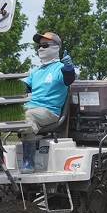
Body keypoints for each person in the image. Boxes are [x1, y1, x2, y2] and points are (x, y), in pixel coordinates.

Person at [21, 31, 75, 173]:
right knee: (1, 115)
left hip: (49, 111)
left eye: (45, 45)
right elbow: (23, 87)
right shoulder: (36, 71)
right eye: (39, 46)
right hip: (30, 108)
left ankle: (28, 162)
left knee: (28, 117)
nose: (40, 49)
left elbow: (69, 79)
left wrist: (69, 68)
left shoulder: (60, 68)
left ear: (56, 47)